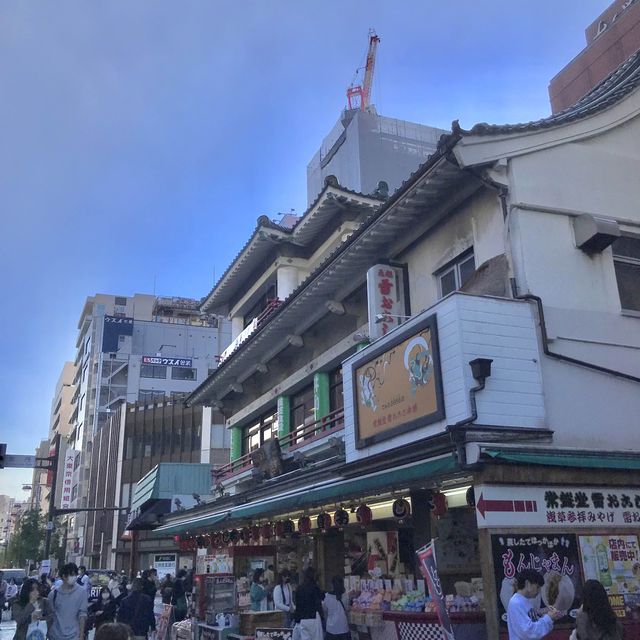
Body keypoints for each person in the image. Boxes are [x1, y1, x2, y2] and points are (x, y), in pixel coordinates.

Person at [507, 569, 562, 640]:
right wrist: (548, 618)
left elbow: (534, 625)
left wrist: (548, 615)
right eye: (537, 587)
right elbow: (528, 632)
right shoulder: (516, 603)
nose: (539, 591)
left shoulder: (524, 601)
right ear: (527, 584)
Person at [47, 562, 88, 640]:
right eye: (71, 575)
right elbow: (50, 615)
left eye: (75, 574)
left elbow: (82, 615)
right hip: (55, 635)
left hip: (74, 635)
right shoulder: (53, 594)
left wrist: (81, 635)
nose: (74, 577)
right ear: (63, 576)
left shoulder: (82, 593)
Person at [294, 567, 324, 640]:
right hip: (314, 617)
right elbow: (322, 596)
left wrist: (297, 619)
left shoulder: (299, 588)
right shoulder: (314, 587)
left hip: (303, 619)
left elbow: (297, 605)